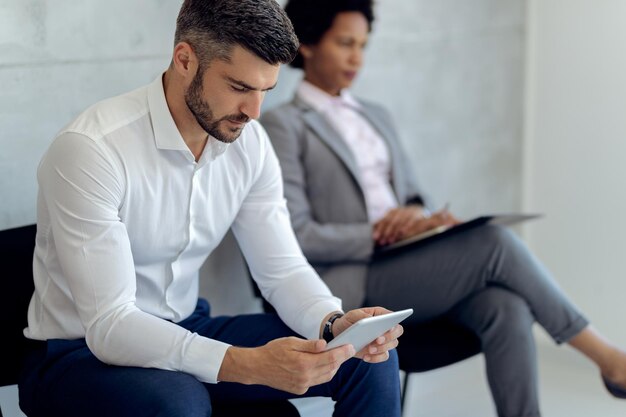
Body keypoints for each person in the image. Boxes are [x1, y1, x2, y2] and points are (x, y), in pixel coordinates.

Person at [17, 1, 406, 416]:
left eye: (265, 91)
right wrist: (246, 364)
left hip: (188, 325)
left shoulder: (249, 143)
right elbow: (110, 325)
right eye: (240, 87)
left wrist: (331, 322)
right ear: (185, 59)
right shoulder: (92, 150)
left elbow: (282, 270)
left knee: (361, 358)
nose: (254, 112)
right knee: (179, 401)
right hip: (79, 354)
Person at [259, 0, 626, 416]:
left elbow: (414, 195)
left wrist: (419, 218)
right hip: (353, 278)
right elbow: (297, 235)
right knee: (492, 242)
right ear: (307, 44)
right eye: (345, 43)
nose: (357, 57)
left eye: (363, 44)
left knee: (505, 306)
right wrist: (382, 231)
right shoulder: (282, 124)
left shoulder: (376, 115)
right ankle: (609, 359)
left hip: (411, 262)